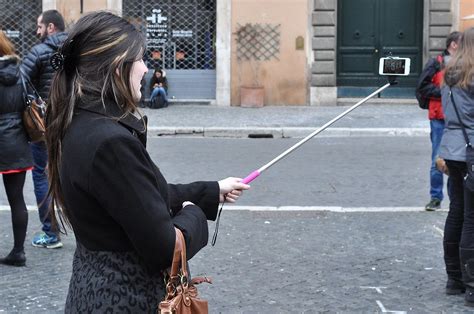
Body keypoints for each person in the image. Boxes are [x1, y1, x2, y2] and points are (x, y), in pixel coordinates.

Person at [45, 11, 249, 311]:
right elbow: (163, 247)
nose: (145, 68)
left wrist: (211, 190)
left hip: (91, 290)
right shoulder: (110, 142)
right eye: (140, 59)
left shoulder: (78, 122)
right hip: (125, 298)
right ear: (117, 68)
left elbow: (140, 195)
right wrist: (193, 215)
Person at [21, 9, 67, 249]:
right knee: (73, 175)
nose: (37, 32)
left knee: (41, 175)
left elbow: (21, 84)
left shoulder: (38, 52)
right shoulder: (76, 51)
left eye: (39, 27)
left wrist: (35, 103)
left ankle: (51, 233)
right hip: (72, 125)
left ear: (50, 27)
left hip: (44, 126)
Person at [439, 27, 474, 306]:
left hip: (452, 147)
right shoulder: (471, 75)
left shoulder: (450, 74)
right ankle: (470, 283)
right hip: (471, 149)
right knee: (471, 218)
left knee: (457, 212)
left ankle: (454, 279)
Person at [416, 31, 462, 211]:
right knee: (437, 158)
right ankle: (435, 197)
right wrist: (444, 92)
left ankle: (454, 198)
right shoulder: (436, 63)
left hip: (457, 119)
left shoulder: (464, 64)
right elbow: (422, 86)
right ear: (453, 44)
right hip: (439, 118)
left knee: (456, 160)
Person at [0, 31, 33, 266]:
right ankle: (19, 251)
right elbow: (28, 101)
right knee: (17, 200)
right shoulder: (20, 71)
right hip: (16, 143)